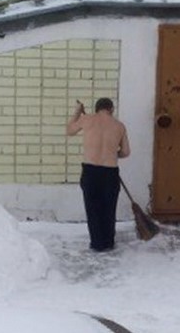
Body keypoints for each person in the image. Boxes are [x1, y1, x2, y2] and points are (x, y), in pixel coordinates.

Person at [67, 97, 131, 251]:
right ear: (111, 109)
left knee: (93, 208)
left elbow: (69, 131)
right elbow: (126, 152)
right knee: (109, 208)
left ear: (96, 108)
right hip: (110, 172)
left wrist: (77, 112)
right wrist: (112, 154)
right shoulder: (119, 126)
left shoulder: (86, 119)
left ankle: (97, 243)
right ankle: (108, 242)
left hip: (91, 171)